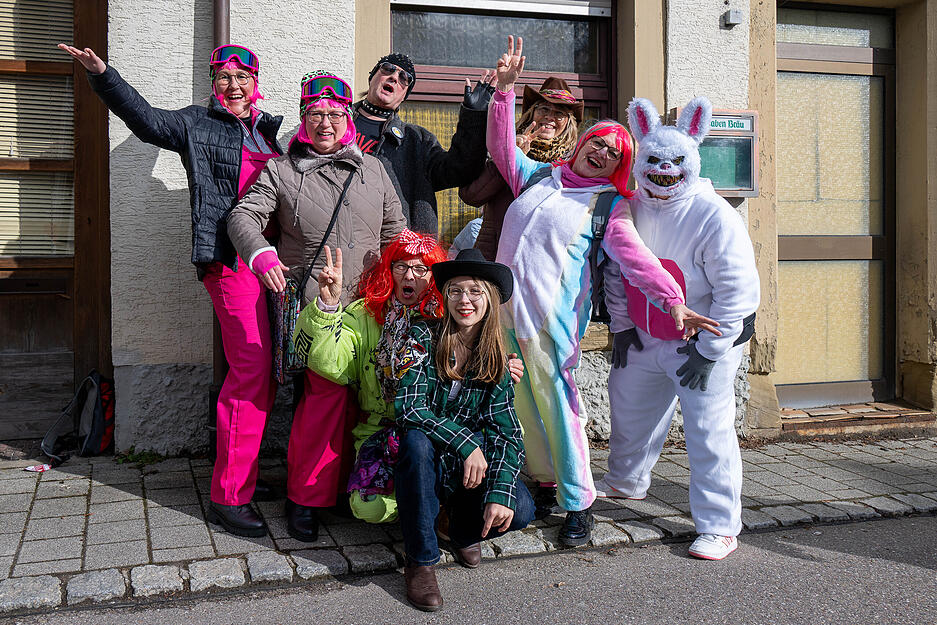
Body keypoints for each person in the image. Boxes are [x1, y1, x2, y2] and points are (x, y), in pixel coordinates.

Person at [488, 36, 719, 547]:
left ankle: (579, 503)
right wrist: (503, 93)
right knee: (523, 404)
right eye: (598, 141)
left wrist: (672, 301)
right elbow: (502, 146)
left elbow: (636, 257)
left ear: (619, 164)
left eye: (614, 151)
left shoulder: (607, 206)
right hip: (503, 317)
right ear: (583, 141)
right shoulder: (539, 178)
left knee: (560, 407)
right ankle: (546, 482)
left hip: (553, 323)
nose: (601, 150)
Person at [58, 43, 284, 537]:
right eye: (223, 77)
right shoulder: (194, 124)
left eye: (242, 76)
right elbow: (145, 120)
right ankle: (228, 496)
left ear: (255, 80)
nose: (233, 85)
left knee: (263, 374)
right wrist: (103, 74)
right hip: (229, 264)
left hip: (269, 265)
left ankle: (241, 474)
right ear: (212, 83)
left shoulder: (268, 129)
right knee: (249, 371)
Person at [226, 71, 406, 541]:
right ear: (303, 119)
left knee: (370, 402)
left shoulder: (373, 169)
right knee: (323, 401)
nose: (325, 122)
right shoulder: (283, 171)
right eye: (315, 114)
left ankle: (354, 490)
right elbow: (242, 216)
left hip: (370, 306)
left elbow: (394, 232)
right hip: (317, 307)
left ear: (347, 116)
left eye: (334, 113)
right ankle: (304, 499)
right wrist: (260, 254)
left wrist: (406, 281)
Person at [600, 96, 759, 561]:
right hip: (645, 338)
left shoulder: (715, 216)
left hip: (699, 346)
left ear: (692, 160)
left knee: (708, 433)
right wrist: (624, 326)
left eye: (675, 162)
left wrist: (710, 350)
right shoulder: (630, 208)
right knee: (628, 411)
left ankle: (719, 525)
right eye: (653, 160)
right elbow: (618, 269)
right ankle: (627, 481)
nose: (664, 170)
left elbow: (738, 292)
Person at [293, 230, 524, 525]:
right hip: (385, 428)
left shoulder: (450, 315)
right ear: (389, 271)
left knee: (511, 496)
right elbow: (332, 366)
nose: (409, 276)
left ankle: (439, 507)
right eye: (401, 266)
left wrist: (501, 366)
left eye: (420, 268)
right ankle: (428, 508)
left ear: (433, 278)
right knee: (370, 508)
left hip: (438, 431)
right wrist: (327, 307)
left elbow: (484, 347)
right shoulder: (365, 315)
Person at [394, 248, 535, 612]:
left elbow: (507, 434)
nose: (464, 300)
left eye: (474, 291)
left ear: (489, 297)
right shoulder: (422, 336)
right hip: (431, 462)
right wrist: (466, 443)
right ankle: (421, 561)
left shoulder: (498, 357)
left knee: (519, 507)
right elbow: (409, 406)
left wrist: (500, 491)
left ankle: (457, 528)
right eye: (455, 290)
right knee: (415, 441)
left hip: (470, 472)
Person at [352, 53, 495, 233]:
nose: (395, 77)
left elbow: (461, 169)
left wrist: (474, 115)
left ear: (405, 95)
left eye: (405, 78)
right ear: (372, 77)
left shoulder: (417, 140)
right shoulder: (334, 125)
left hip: (394, 252)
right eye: (388, 68)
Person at [460, 76, 582, 261]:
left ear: (568, 122)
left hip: (544, 262)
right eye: (544, 109)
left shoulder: (573, 165)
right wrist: (508, 158)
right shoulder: (503, 146)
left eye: (559, 113)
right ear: (532, 113)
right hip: (494, 258)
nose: (550, 117)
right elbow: (471, 195)